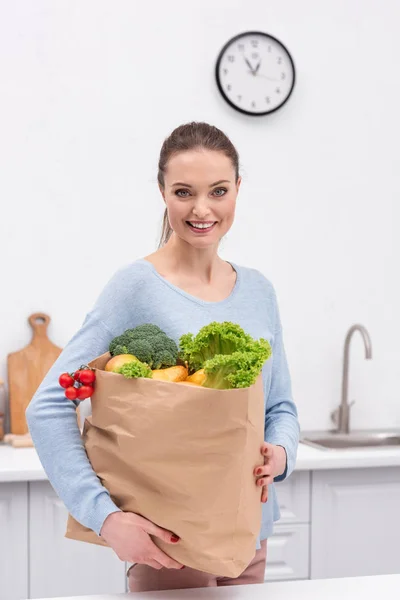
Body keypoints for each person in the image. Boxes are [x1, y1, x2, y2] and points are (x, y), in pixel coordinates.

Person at [26, 121, 300, 592]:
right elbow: (48, 405)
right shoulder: (135, 287)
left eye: (218, 190)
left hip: (249, 538)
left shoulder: (258, 291)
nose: (201, 209)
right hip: (168, 548)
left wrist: (281, 452)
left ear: (238, 189)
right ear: (162, 193)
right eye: (183, 192)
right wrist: (105, 517)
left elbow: (281, 407)